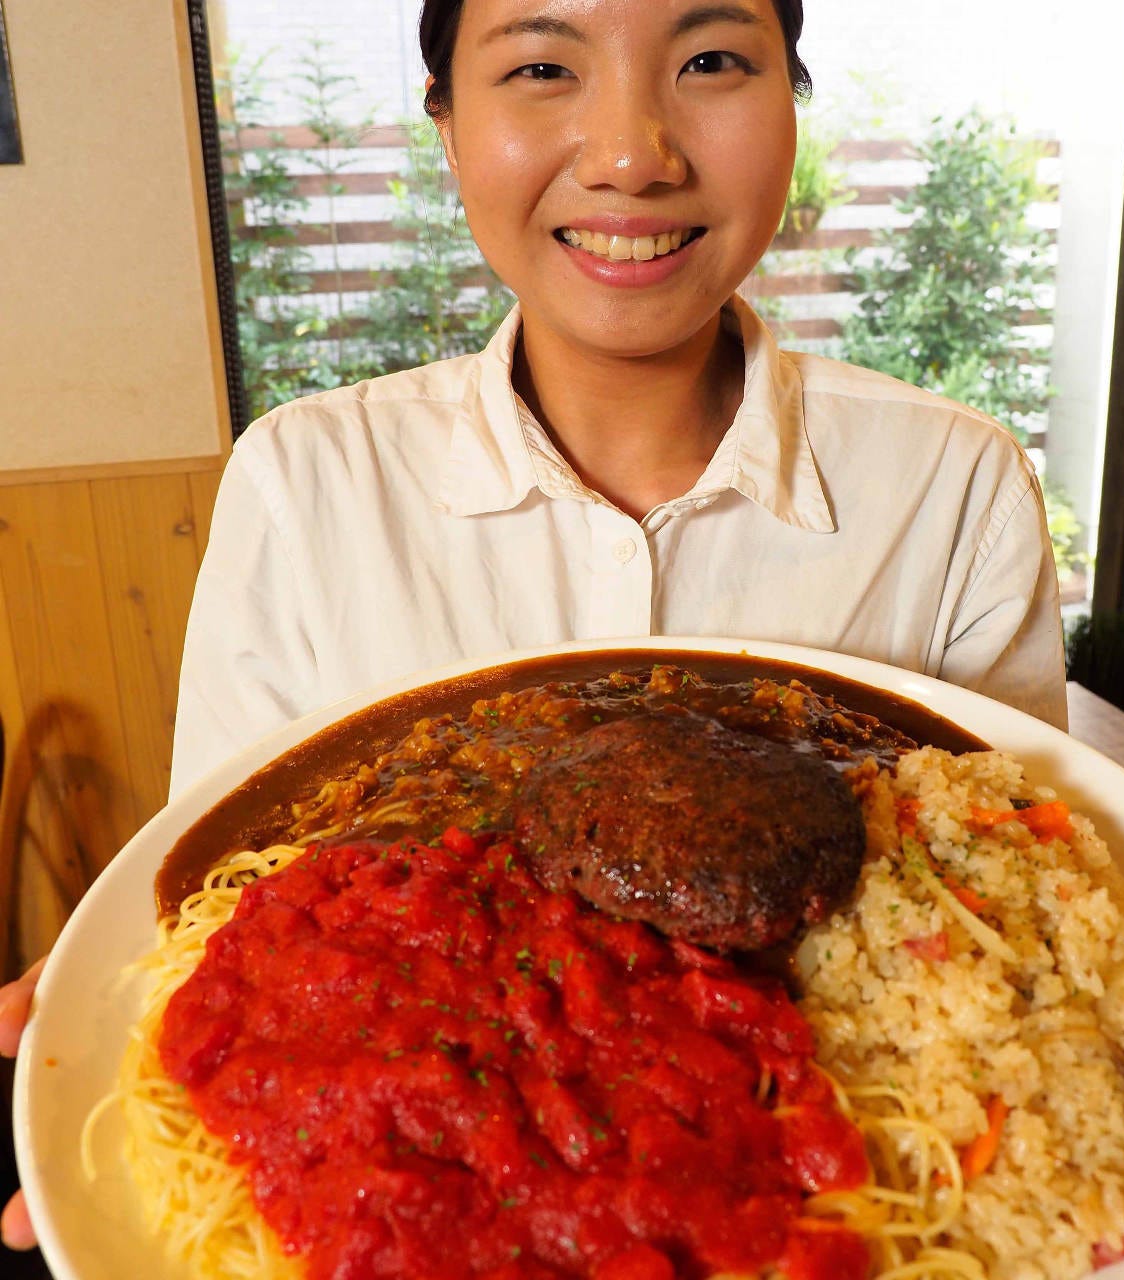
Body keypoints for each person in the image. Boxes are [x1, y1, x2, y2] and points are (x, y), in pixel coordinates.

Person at [0, 0, 1066, 1250]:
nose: (631, 151)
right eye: (543, 67)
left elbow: (1013, 927)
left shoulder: (954, 486)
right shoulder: (306, 481)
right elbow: (213, 919)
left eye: (711, 61)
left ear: (792, 102)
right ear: (446, 123)